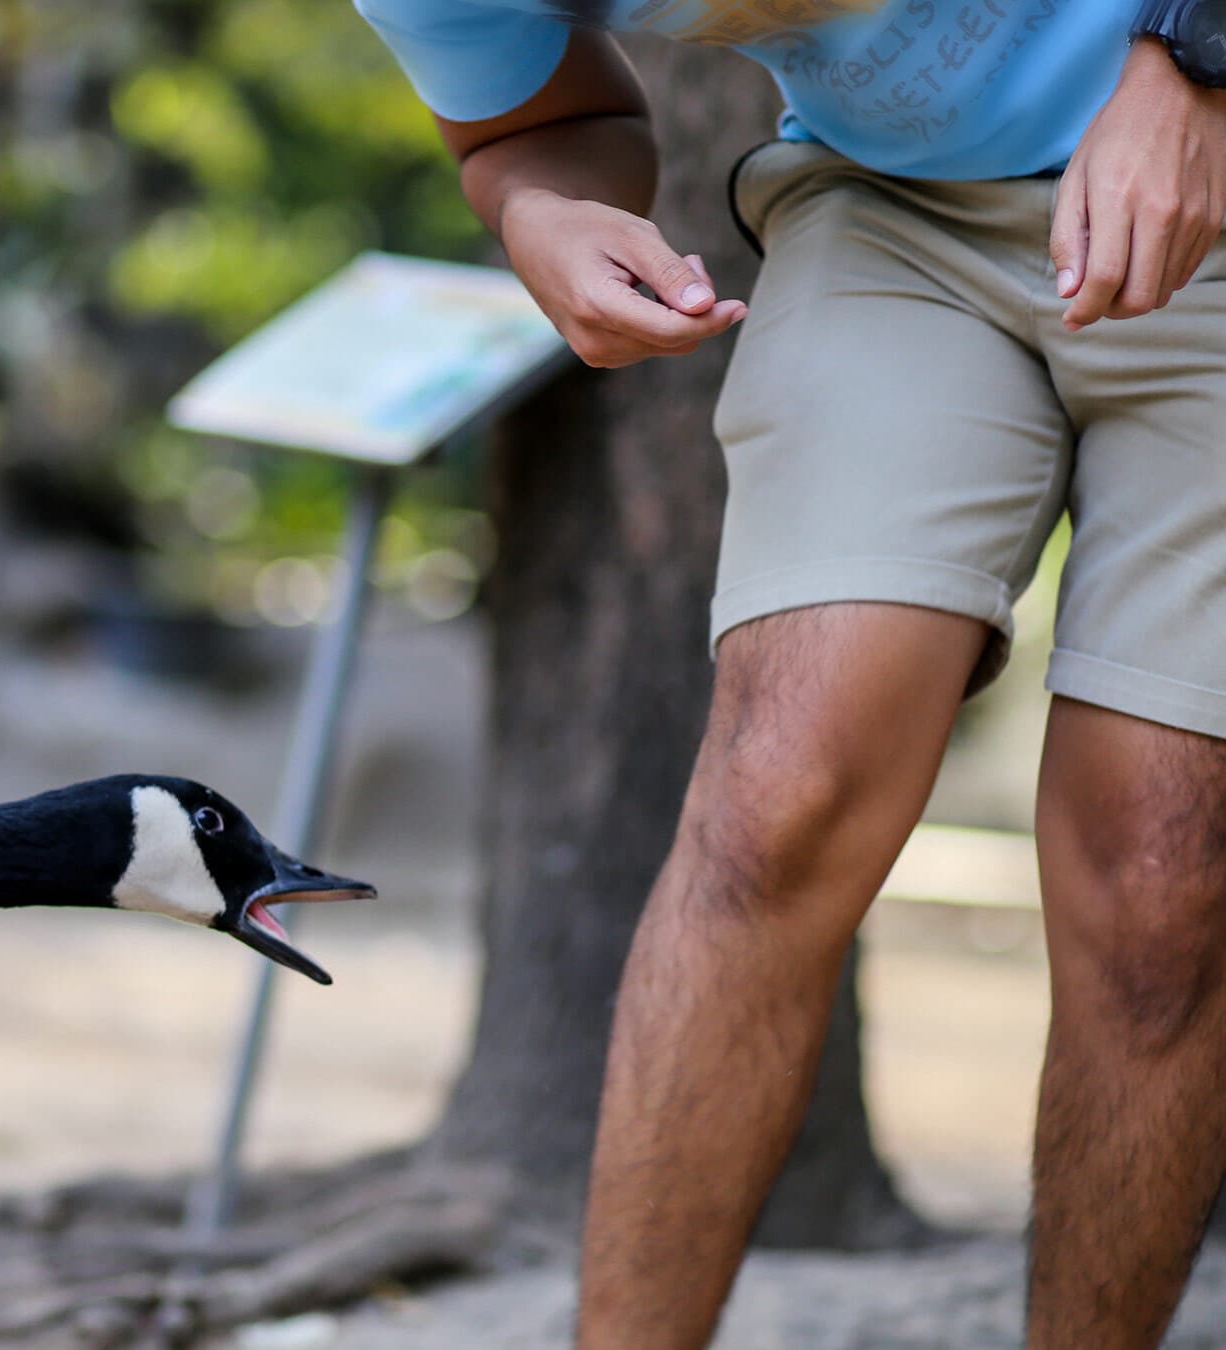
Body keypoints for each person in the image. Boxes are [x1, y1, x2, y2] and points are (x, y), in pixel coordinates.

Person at [350, 2, 1226, 1346]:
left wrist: (1192, 66)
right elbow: (539, 125)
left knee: (1163, 878)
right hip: (894, 207)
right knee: (775, 805)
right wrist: (544, 210)